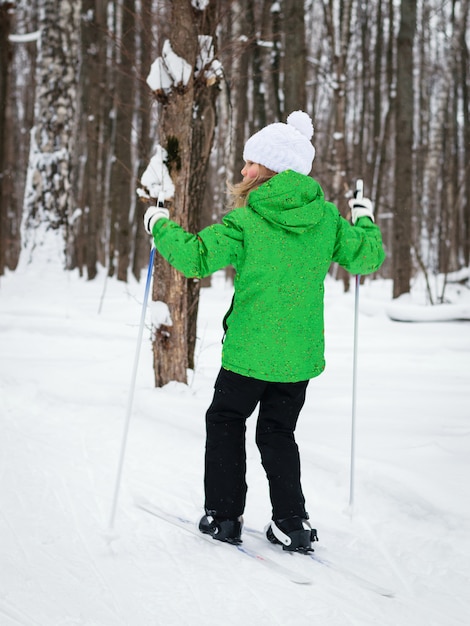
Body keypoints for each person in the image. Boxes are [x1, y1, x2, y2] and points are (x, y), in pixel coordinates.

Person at [143, 111, 385, 553]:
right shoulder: (328, 219)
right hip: (298, 358)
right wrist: (364, 217)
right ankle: (291, 523)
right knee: (277, 432)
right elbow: (367, 257)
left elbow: (196, 258)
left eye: (250, 162)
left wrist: (159, 226)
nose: (243, 170)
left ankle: (224, 516)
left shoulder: (248, 221)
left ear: (271, 169)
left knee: (226, 420)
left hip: (248, 354)